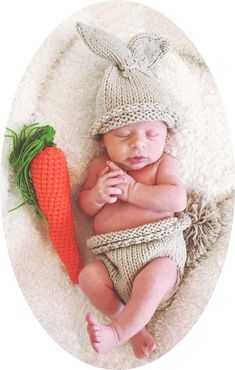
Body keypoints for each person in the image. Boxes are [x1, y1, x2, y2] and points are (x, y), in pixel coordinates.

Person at [76, 22, 191, 358]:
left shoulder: (161, 165)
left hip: (160, 256)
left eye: (150, 135)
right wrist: (97, 194)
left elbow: (176, 199)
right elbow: (85, 205)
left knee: (153, 281)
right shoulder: (101, 168)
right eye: (124, 137)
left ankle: (118, 331)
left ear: (165, 134)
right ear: (102, 139)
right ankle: (134, 328)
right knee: (88, 276)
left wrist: (132, 193)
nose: (138, 146)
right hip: (113, 263)